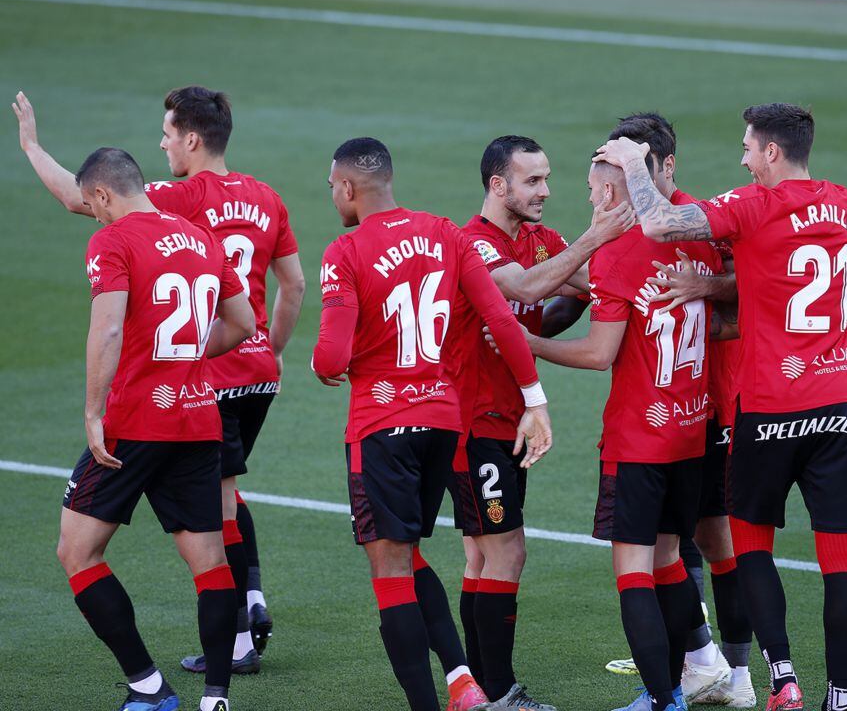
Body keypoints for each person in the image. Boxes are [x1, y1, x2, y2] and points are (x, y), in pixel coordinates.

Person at [12, 87, 305, 668]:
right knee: (223, 489)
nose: (163, 143)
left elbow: (83, 197)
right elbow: (293, 285)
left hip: (194, 372)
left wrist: (31, 145)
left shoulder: (174, 197)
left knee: (215, 505)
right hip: (256, 368)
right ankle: (249, 604)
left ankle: (240, 630)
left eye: (168, 134)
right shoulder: (266, 197)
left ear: (192, 139)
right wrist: (268, 348)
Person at [596, 103, 847, 711]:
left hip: (771, 407)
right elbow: (776, 278)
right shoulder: (844, 203)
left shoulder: (751, 206)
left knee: (750, 548)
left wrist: (632, 164)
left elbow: (661, 225)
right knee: (842, 563)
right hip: (841, 402)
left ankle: (783, 683)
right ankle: (840, 698)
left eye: (749, 148)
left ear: (771, 152)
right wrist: (712, 286)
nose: (744, 159)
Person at [311, 137, 553, 711]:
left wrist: (331, 364)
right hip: (444, 421)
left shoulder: (345, 251)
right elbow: (500, 316)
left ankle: (437, 701)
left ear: (347, 187)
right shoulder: (448, 233)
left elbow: (330, 358)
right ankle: (464, 682)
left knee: (390, 573)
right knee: (411, 554)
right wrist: (536, 401)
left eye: (331, 186)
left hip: (382, 423)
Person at [55, 147, 255, 711]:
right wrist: (188, 358)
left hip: (135, 421)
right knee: (210, 562)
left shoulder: (113, 241)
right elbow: (243, 322)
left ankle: (148, 688)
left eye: (92, 206)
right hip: (197, 418)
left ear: (101, 194)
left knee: (77, 552)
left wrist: (93, 412)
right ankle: (215, 697)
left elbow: (109, 328)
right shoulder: (202, 238)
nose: (93, 216)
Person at [521, 157, 724, 711]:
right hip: (689, 431)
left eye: (592, 191)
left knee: (634, 572)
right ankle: (686, 681)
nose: (589, 201)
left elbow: (598, 352)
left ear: (614, 191)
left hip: (638, 438)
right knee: (671, 562)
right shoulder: (699, 241)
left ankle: (663, 699)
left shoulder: (618, 253)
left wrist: (529, 344)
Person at [447, 135, 633, 710]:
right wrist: (594, 237)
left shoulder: (538, 239)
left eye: (548, 179)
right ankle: (499, 694)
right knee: (506, 552)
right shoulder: (472, 244)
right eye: (532, 181)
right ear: (498, 185)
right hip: (475, 422)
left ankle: (479, 690)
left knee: (483, 555)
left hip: (506, 422)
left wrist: (605, 264)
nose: (546, 191)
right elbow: (526, 286)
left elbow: (584, 284)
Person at [611, 113, 755, 708]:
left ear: (667, 166)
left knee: (711, 539)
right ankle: (702, 662)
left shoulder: (705, 224)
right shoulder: (636, 228)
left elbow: (754, 293)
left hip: (714, 408)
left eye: (636, 164)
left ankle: (731, 671)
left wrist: (708, 287)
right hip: (685, 411)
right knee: (683, 541)